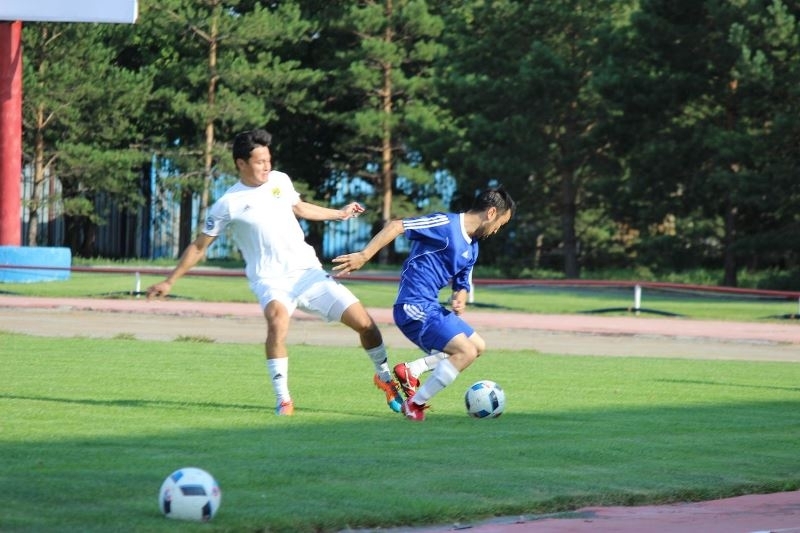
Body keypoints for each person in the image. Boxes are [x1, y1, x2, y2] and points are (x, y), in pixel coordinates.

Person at [146, 129, 403, 416]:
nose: (267, 166)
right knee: (277, 321)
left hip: (308, 273)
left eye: (268, 160)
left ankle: (385, 378)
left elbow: (300, 208)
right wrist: (169, 281)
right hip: (270, 280)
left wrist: (340, 213)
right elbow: (198, 247)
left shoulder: (280, 180)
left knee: (366, 324)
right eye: (260, 162)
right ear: (241, 163)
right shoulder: (227, 204)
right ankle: (284, 400)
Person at [332, 187, 516, 421]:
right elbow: (396, 226)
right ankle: (414, 404)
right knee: (465, 351)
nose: (497, 230)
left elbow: (462, 281)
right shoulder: (445, 224)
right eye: (500, 224)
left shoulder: (473, 246)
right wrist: (364, 255)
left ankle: (412, 370)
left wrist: (460, 295)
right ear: (491, 213)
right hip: (413, 306)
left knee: (477, 346)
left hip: (432, 306)